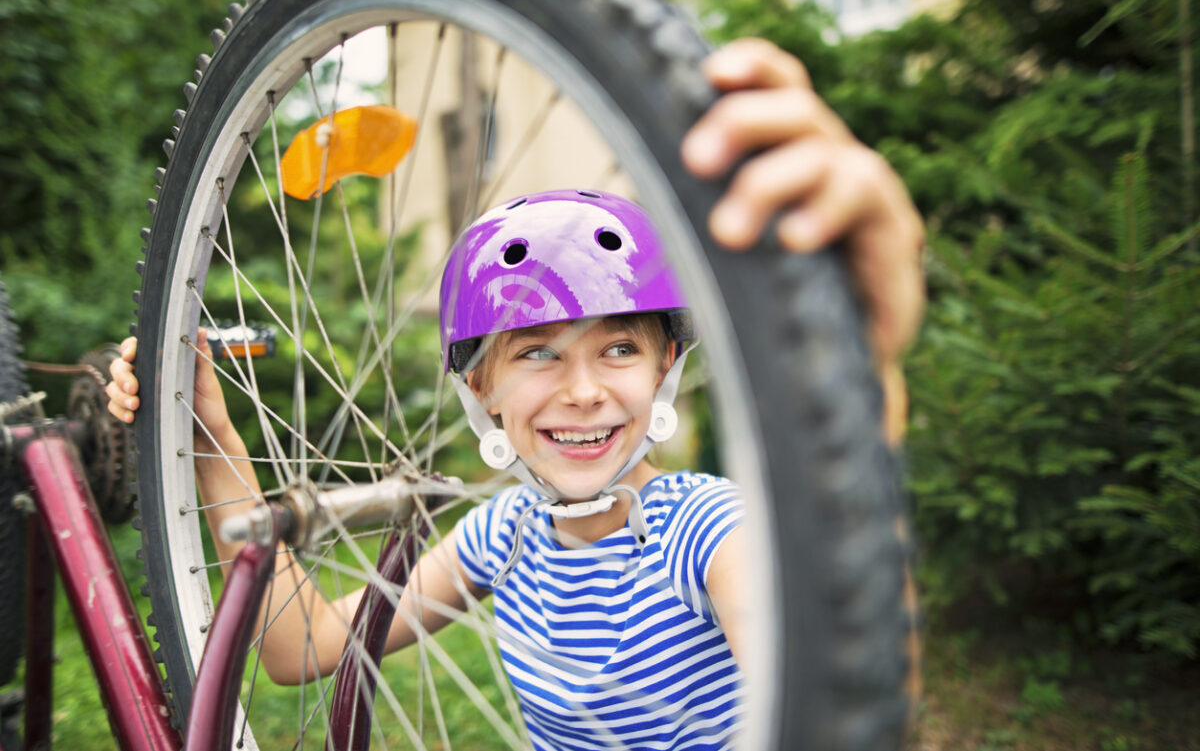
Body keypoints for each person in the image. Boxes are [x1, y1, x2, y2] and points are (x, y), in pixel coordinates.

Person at [107, 38, 925, 748]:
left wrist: (865, 389)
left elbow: (829, 686)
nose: (583, 391)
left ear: (665, 367)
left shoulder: (706, 530)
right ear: (482, 388)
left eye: (618, 348)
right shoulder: (505, 535)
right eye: (537, 353)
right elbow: (298, 647)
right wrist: (208, 432)